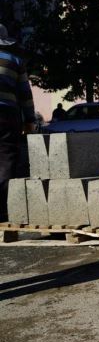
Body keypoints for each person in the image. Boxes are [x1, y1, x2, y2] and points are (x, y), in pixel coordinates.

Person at [0, 24, 35, 222]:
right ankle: (4, 208)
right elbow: (25, 94)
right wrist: (29, 120)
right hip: (6, 115)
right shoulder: (14, 60)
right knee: (6, 159)